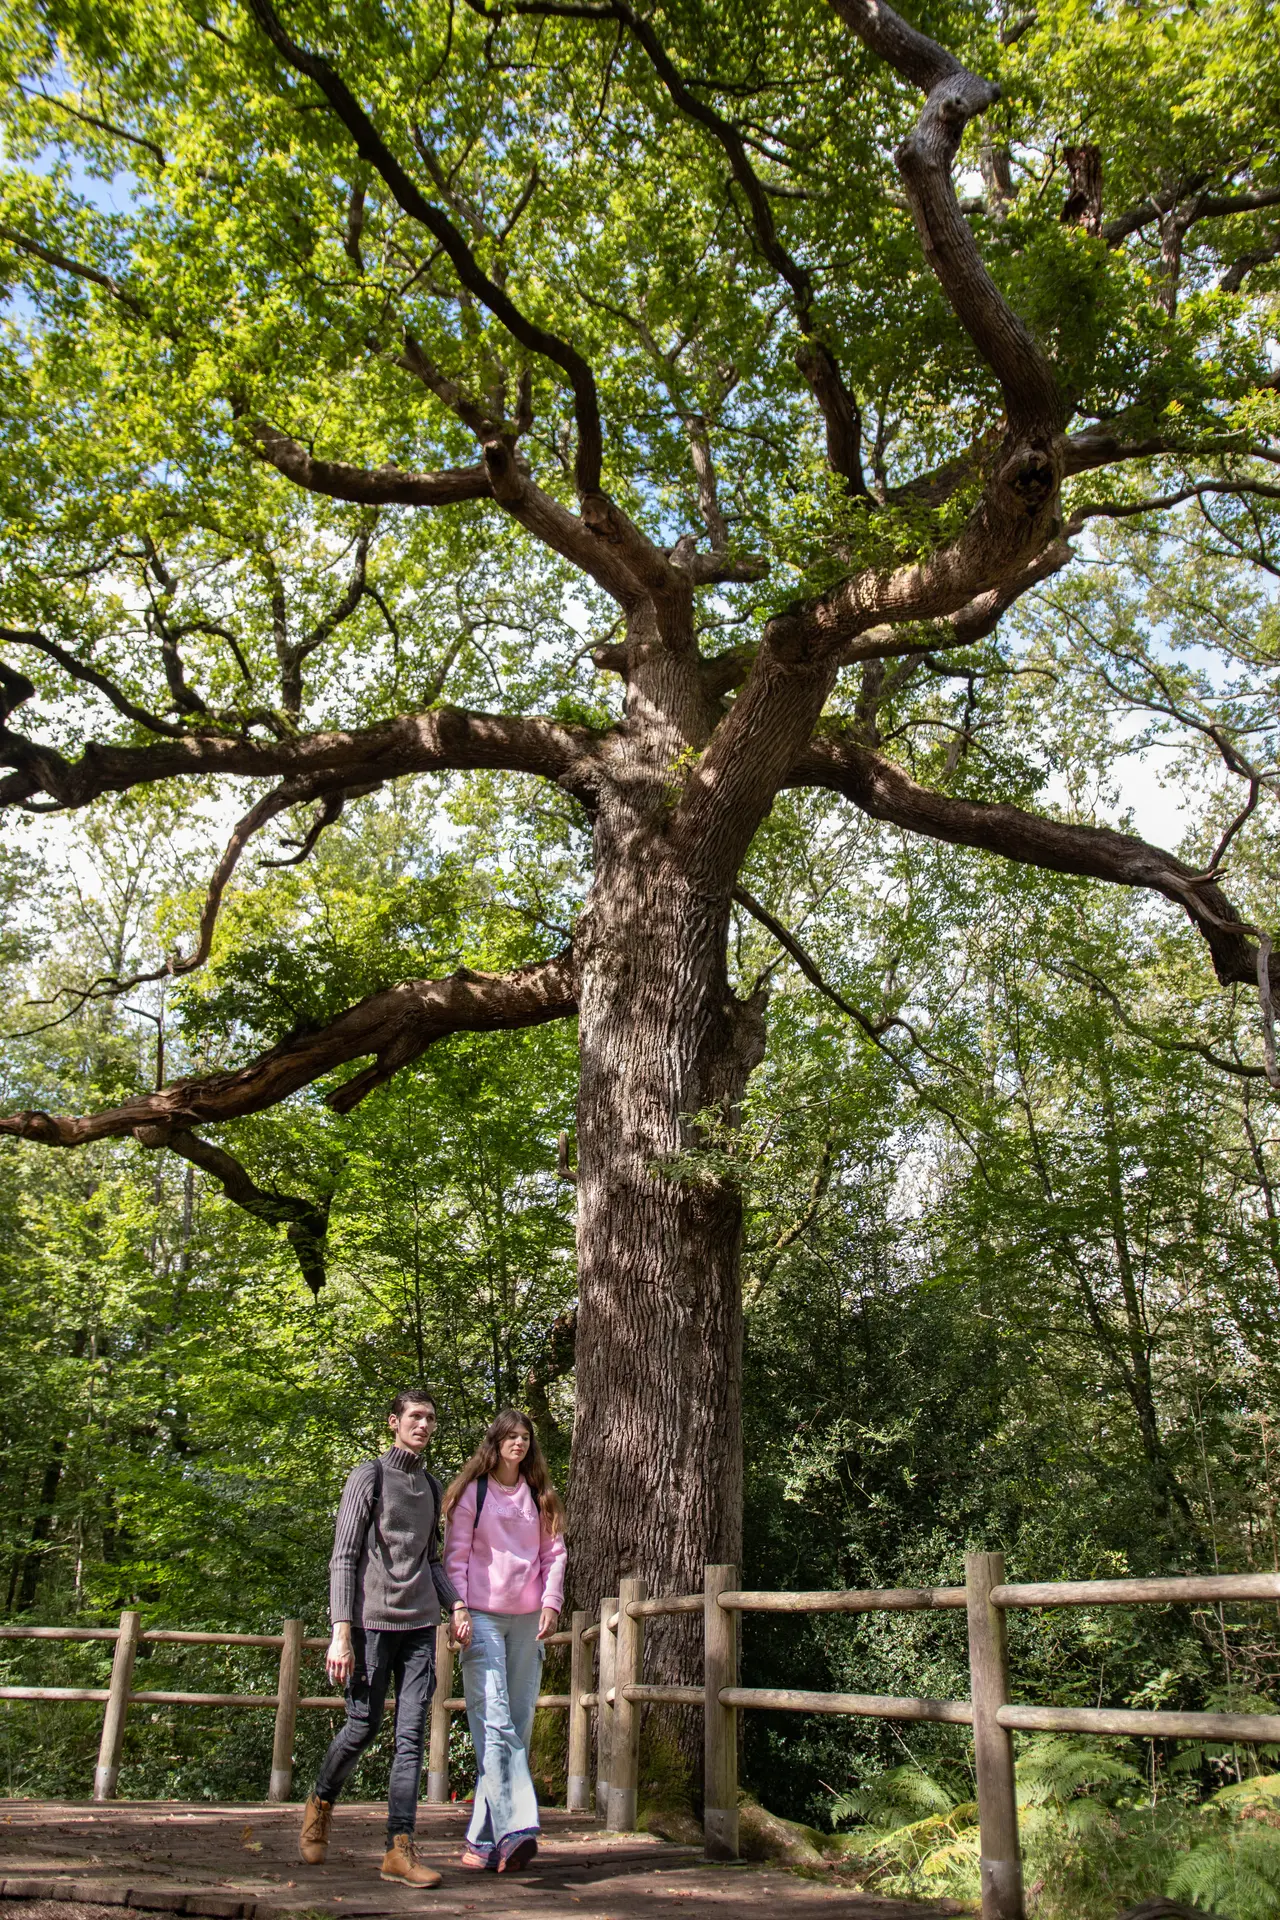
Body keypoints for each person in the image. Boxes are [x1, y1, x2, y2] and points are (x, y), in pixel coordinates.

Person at [298, 1387, 473, 1888]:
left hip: (421, 1628)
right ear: (393, 1421)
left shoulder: (433, 1486)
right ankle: (320, 1803)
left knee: (411, 1737)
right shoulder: (368, 1476)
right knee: (362, 1726)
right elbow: (344, 1556)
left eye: (431, 1419)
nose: (424, 1425)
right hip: (371, 1626)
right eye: (415, 1416)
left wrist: (455, 1604)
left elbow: (432, 1561)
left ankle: (399, 1847)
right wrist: (340, 1634)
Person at [442, 1408, 567, 1874]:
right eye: (511, 1437)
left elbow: (555, 1554)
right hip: (482, 1618)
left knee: (517, 1722)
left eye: (525, 1437)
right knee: (494, 1720)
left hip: (528, 1619)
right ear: (494, 1444)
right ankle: (517, 1826)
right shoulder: (473, 1492)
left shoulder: (540, 1495)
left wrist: (552, 1603)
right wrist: (457, 1608)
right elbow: (454, 1558)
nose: (519, 1443)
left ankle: (481, 1840)